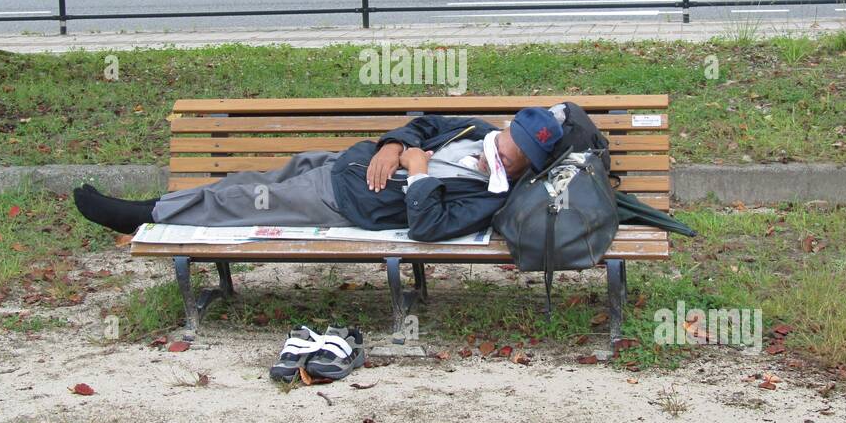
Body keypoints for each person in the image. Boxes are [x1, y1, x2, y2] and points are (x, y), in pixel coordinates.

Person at [74, 106, 563, 242]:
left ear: (523, 169)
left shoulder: (489, 198)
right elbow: (424, 123)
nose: (498, 152)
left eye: (512, 157)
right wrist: (396, 144)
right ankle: (162, 208)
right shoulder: (475, 131)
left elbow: (428, 226)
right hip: (342, 161)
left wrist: (419, 174)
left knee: (242, 201)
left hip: (344, 200)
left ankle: (142, 217)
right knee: (243, 184)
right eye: (504, 141)